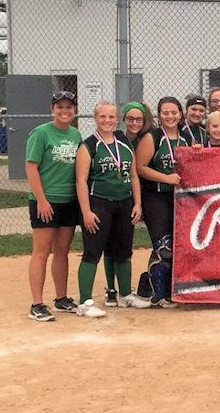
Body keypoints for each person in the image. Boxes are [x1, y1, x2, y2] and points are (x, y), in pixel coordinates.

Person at [75, 102, 149, 318]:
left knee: (123, 251)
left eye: (111, 117)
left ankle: (125, 295)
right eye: (102, 117)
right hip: (99, 203)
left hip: (124, 202)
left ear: (117, 119)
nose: (107, 121)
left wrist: (137, 203)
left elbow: (134, 175)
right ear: (95, 118)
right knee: (92, 252)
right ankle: (85, 302)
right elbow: (80, 182)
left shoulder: (124, 142)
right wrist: (87, 212)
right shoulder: (88, 146)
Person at [25, 91, 82, 321]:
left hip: (68, 200)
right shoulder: (41, 133)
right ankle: (36, 304)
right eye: (60, 107)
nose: (65, 110)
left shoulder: (75, 134)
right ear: (52, 109)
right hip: (45, 201)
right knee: (41, 252)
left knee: (62, 251)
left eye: (69, 107)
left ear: (74, 110)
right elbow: (31, 167)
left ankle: (61, 298)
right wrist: (41, 199)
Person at [136, 97, 192, 307]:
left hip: (181, 200)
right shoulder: (153, 137)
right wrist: (166, 178)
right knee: (163, 247)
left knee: (180, 246)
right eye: (166, 113)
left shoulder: (186, 136)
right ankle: (157, 293)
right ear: (159, 115)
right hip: (156, 197)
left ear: (180, 114)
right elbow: (140, 167)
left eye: (174, 112)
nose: (170, 116)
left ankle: (168, 289)